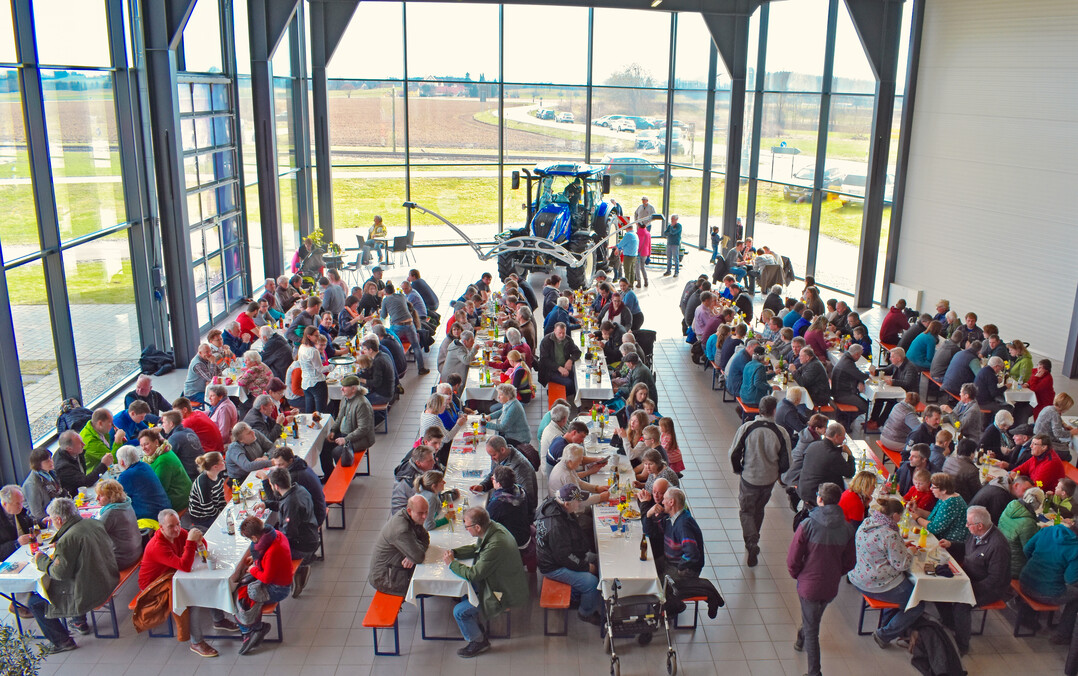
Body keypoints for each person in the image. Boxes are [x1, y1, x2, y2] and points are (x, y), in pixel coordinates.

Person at [139, 509, 236, 657]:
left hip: (173, 574)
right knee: (192, 600)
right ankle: (196, 642)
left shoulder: (178, 533)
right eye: (171, 526)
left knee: (205, 584)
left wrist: (197, 538)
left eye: (178, 524)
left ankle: (219, 620)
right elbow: (185, 566)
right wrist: (191, 542)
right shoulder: (157, 546)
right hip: (155, 586)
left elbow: (202, 544)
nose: (177, 529)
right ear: (161, 527)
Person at [787, 481, 856, 676]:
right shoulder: (848, 528)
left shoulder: (807, 524)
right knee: (813, 617)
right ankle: (800, 638)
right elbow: (850, 562)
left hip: (809, 584)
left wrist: (798, 573)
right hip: (830, 586)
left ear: (819, 499)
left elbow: (793, 557)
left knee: (812, 630)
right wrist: (835, 572)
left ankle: (814, 672)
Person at [30, 497, 118, 647]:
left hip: (89, 590)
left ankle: (62, 641)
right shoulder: (93, 523)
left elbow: (59, 573)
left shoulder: (68, 539)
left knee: (34, 602)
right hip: (108, 576)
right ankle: (78, 622)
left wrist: (41, 560)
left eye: (52, 519)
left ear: (58, 519)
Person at [443, 507, 529, 657]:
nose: (466, 529)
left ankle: (478, 641)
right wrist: (455, 553)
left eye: (466, 526)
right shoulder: (493, 528)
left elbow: (474, 574)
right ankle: (476, 627)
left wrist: (452, 564)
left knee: (459, 612)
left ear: (477, 527)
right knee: (465, 591)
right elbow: (477, 548)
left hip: (502, 592)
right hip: (501, 580)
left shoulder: (495, 545)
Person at [849, 497, 925, 649]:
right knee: (917, 604)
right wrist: (910, 550)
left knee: (904, 592)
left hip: (859, 577)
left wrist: (901, 546)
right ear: (896, 516)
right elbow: (901, 564)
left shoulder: (868, 523)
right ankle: (884, 634)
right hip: (878, 584)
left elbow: (879, 548)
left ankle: (888, 621)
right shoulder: (890, 534)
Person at [728, 396, 790, 567]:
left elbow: (734, 453)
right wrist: (776, 472)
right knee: (759, 509)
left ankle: (751, 542)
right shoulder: (781, 432)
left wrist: (738, 469)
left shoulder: (747, 428)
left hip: (749, 477)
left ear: (759, 409)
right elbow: (787, 462)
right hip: (768, 480)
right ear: (774, 411)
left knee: (746, 511)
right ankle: (755, 536)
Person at [646, 487, 724, 620]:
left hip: (683, 568)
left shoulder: (683, 524)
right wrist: (649, 513)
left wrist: (680, 568)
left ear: (671, 502)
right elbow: (652, 529)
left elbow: (692, 554)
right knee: (648, 570)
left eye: (664, 499)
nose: (661, 502)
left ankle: (672, 607)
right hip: (670, 561)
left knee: (657, 584)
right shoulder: (672, 517)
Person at [536, 484, 604, 625]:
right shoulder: (556, 525)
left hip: (561, 555)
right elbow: (565, 557)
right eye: (577, 501)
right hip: (553, 566)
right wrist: (586, 567)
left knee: (599, 560)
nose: (580, 503)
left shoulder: (555, 506)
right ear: (567, 503)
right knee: (591, 583)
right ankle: (586, 613)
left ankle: (579, 594)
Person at [230, 516, 293, 655]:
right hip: (283, 579)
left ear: (254, 537)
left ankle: (254, 629)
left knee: (241, 595)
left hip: (278, 589)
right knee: (244, 588)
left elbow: (266, 578)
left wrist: (253, 569)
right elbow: (269, 561)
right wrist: (256, 560)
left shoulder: (272, 551)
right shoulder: (276, 535)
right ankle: (254, 629)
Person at [1019, 522, 1078, 645]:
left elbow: (1026, 549)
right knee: (1076, 596)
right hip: (1046, 593)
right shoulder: (1075, 548)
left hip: (1024, 581)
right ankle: (1062, 635)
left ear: (1072, 524)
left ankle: (1028, 615)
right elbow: (1071, 579)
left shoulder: (1048, 530)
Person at [369, 493, 430, 597]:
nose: (424, 516)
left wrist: (412, 556)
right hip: (387, 579)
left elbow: (425, 537)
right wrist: (414, 555)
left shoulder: (409, 517)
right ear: (409, 511)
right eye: (420, 513)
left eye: (426, 512)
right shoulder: (401, 529)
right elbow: (419, 557)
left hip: (395, 567)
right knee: (429, 588)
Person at [322, 375, 375, 476]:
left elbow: (363, 429)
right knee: (325, 446)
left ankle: (347, 474)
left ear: (353, 389)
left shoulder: (362, 404)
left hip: (361, 439)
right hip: (345, 434)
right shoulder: (345, 399)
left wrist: (346, 439)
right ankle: (329, 474)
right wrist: (333, 431)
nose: (341, 389)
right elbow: (339, 417)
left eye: (344, 387)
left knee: (337, 451)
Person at [472, 436, 539, 515]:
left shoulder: (520, 467)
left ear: (502, 450)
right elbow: (494, 473)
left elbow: (527, 498)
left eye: (493, 455)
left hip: (519, 511)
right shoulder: (502, 457)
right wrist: (483, 486)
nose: (492, 459)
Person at [797, 423, 854, 507]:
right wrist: (850, 455)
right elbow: (850, 472)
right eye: (843, 436)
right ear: (836, 436)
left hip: (803, 488)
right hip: (816, 494)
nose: (845, 438)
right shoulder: (833, 455)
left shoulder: (813, 445)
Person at [915, 472, 969, 560]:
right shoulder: (944, 497)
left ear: (944, 490)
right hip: (941, 539)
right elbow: (933, 517)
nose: (931, 488)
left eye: (934, 487)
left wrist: (917, 518)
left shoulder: (951, 502)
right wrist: (917, 510)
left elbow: (934, 528)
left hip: (950, 545)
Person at [381, 282, 429, 374]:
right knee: (416, 346)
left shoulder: (386, 300)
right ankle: (421, 368)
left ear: (385, 292)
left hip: (397, 325)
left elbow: (383, 315)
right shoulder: (401, 296)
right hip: (410, 323)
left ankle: (395, 369)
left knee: (392, 344)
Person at [139, 428, 192, 512]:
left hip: (178, 498)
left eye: (146, 444)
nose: (143, 448)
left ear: (156, 442)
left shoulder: (163, 460)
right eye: (141, 445)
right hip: (176, 494)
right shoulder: (156, 453)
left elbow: (159, 489)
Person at [94, 479, 143, 569]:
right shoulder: (126, 503)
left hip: (123, 559)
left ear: (111, 496)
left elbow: (94, 536)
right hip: (136, 550)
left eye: (101, 496)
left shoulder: (111, 513)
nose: (97, 498)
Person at [999, 486, 1046, 578]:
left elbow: (1019, 529)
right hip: (1014, 567)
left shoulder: (1012, 506)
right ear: (1038, 505)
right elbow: (1030, 550)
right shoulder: (1027, 523)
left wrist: (1038, 529)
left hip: (1001, 557)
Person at [115, 445, 172, 521]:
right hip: (164, 509)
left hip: (150, 516)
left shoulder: (126, 475)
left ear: (122, 462)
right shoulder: (145, 465)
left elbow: (115, 497)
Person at [52, 430, 111, 497]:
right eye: (80, 443)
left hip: (83, 489)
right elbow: (86, 482)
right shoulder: (63, 467)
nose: (84, 444)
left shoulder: (75, 451)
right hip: (75, 497)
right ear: (69, 449)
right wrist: (103, 465)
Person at [486, 466, 531, 548]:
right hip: (526, 533)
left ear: (499, 484)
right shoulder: (521, 490)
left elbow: (487, 525)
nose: (491, 479)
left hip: (515, 542)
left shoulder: (498, 503)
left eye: (493, 479)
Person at [21, 448, 67, 524]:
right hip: (44, 521)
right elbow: (37, 513)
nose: (51, 461)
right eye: (47, 461)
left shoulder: (51, 473)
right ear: (38, 464)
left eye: (50, 458)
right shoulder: (32, 484)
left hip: (57, 513)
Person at [831, 344, 870, 428]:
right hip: (842, 394)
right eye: (860, 355)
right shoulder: (848, 363)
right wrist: (869, 373)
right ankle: (845, 422)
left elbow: (855, 374)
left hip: (838, 391)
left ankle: (844, 419)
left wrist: (860, 381)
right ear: (856, 354)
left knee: (862, 402)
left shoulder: (845, 357)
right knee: (865, 406)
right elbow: (861, 375)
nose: (860, 357)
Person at [537, 322, 581, 396]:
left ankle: (568, 395)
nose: (562, 335)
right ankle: (559, 396)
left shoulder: (567, 339)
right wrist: (559, 368)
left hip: (564, 367)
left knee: (578, 380)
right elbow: (544, 360)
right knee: (570, 383)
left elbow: (577, 352)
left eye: (563, 333)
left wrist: (570, 360)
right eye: (559, 333)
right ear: (554, 331)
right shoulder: (546, 341)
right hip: (550, 370)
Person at [188, 451, 227, 531]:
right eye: (222, 461)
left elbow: (221, 496)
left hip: (214, 511)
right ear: (215, 467)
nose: (224, 462)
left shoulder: (219, 474)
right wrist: (221, 515)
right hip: (202, 517)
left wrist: (225, 509)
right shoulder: (204, 483)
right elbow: (208, 508)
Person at [1034, 393, 1078, 457]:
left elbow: (1056, 421)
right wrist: (1071, 432)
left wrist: (1064, 425)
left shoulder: (1048, 408)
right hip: (1044, 441)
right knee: (1068, 455)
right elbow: (1058, 433)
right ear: (1065, 407)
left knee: (1064, 444)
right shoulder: (1055, 414)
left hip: (1037, 437)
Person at [790, 348, 831, 413]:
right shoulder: (809, 362)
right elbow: (799, 373)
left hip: (819, 397)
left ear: (807, 357)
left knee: (795, 399)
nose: (799, 358)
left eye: (801, 356)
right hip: (814, 392)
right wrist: (794, 372)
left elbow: (802, 382)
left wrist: (794, 371)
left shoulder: (814, 366)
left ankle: (802, 418)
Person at [616, 222, 639, 289]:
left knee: (627, 271)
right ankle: (631, 285)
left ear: (627, 228)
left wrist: (617, 247)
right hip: (634, 255)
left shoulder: (628, 235)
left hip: (628, 256)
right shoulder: (635, 234)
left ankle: (626, 287)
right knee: (632, 271)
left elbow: (621, 244)